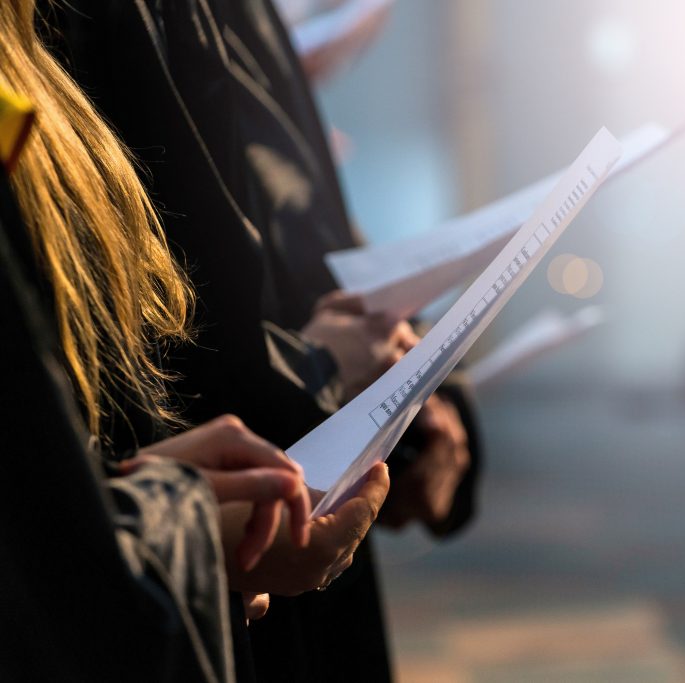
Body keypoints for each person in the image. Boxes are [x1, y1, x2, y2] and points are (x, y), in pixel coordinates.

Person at [43, 1, 479, 679]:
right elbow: (167, 314)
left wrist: (426, 389)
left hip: (276, 515)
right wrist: (316, 368)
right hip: (220, 532)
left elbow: (313, 225)